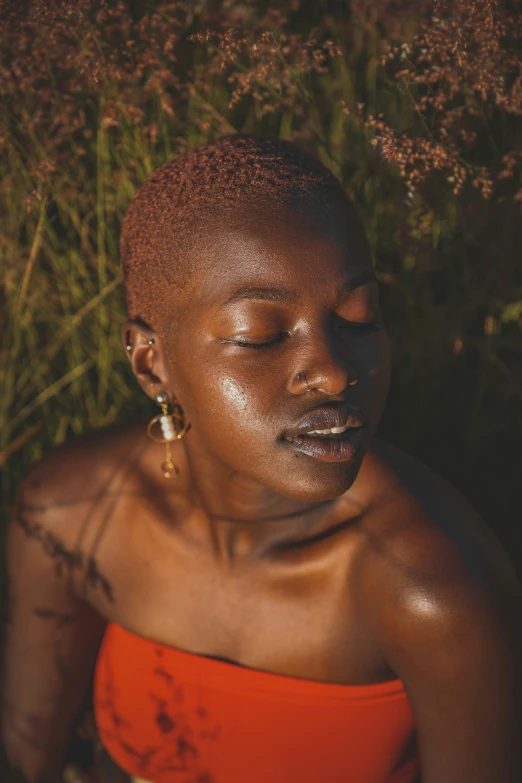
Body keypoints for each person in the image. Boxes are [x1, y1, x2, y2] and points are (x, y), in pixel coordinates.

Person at [1, 134, 521, 783]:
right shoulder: (72, 515)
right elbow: (26, 760)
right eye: (262, 336)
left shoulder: (433, 590)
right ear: (150, 361)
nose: (334, 373)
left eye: (360, 319)